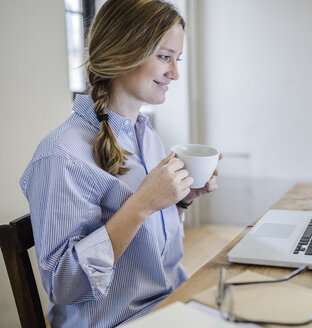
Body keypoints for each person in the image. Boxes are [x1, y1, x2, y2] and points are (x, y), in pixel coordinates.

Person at [20, 0, 220, 326]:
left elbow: (152, 253)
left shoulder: (147, 136)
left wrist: (180, 202)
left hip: (170, 305)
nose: (175, 73)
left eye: (177, 59)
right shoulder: (61, 155)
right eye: (165, 57)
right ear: (126, 52)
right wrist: (140, 204)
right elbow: (63, 284)